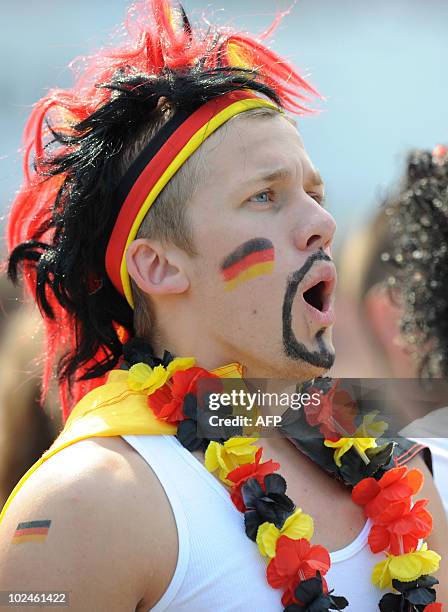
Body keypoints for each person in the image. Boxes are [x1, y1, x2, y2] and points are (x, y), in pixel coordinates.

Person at [0, 2, 446, 610]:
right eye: (265, 196)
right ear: (158, 265)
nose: (322, 223)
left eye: (314, 193)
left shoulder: (392, 453)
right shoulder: (88, 501)